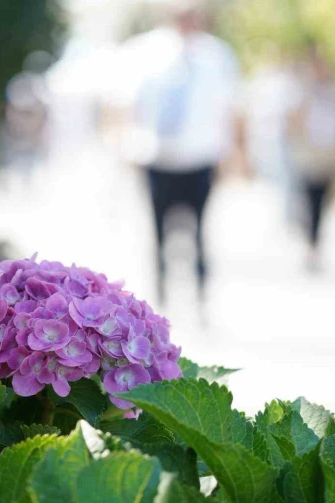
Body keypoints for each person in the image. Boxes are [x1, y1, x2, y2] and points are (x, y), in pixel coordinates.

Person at [130, 3, 240, 302]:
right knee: (158, 233)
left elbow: (229, 108)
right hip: (158, 156)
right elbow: (131, 105)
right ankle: (160, 294)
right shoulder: (147, 51)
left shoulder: (217, 55)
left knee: (200, 232)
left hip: (199, 156)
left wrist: (233, 154)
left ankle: (201, 294)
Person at [288, 45, 335, 271]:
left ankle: (316, 241)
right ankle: (311, 242)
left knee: (323, 201)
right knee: (310, 200)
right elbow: (293, 122)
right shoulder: (303, 93)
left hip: (329, 155)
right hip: (309, 155)